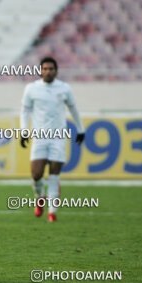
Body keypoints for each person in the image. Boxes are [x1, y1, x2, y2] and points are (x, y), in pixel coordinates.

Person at [20, 56, 85, 222]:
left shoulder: (64, 88)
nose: (48, 72)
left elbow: (73, 108)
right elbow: (25, 110)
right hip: (40, 137)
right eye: (45, 69)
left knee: (54, 175)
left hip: (58, 137)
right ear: (40, 71)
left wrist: (80, 129)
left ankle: (52, 212)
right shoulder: (31, 88)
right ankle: (40, 196)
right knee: (36, 174)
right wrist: (23, 131)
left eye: (51, 69)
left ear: (56, 71)